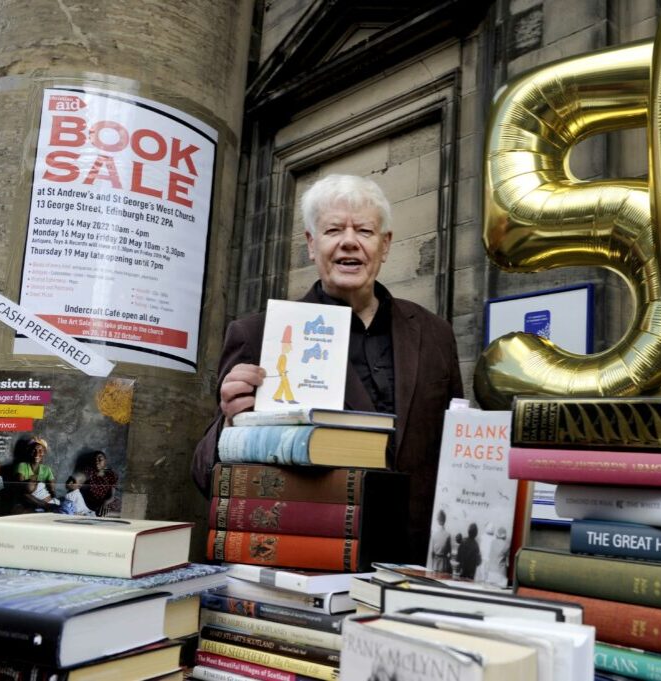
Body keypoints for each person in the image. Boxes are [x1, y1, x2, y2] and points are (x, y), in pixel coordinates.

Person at [192, 174, 464, 563]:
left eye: (365, 230)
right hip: (310, 559)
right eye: (334, 229)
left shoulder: (435, 333)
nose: (349, 241)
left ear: (384, 245)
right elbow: (205, 476)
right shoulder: (259, 335)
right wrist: (229, 422)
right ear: (310, 244)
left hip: (416, 563)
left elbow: (456, 454)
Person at [13, 436, 59, 513]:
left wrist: (53, 503)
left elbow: (52, 491)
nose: (37, 453)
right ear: (29, 451)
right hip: (28, 503)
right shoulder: (22, 466)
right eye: (34, 450)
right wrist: (45, 505)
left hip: (46, 503)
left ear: (44, 452)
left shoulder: (46, 469)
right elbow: (21, 491)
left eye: (40, 450)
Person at [81, 451, 119, 516]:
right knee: (101, 513)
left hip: (107, 502)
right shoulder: (89, 472)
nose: (97, 462)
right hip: (93, 503)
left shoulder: (111, 475)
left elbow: (112, 496)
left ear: (105, 461)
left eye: (100, 459)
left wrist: (105, 503)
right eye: (95, 460)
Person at [428, 508, 452, 573]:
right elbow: (450, 553)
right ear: (445, 520)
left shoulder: (434, 534)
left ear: (438, 520)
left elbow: (432, 553)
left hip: (435, 564)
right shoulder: (448, 535)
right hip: (443, 565)